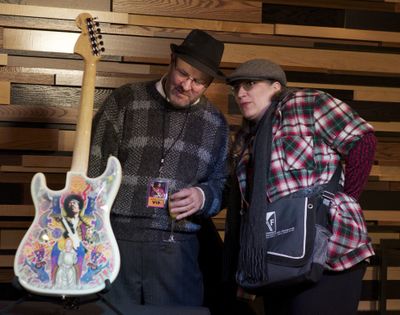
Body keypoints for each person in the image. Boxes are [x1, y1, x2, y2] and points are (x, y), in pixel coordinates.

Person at [88, 29, 229, 309]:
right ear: (171, 60)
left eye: (199, 82)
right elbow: (93, 168)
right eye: (183, 73)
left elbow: (223, 184)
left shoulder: (215, 123)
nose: (187, 86)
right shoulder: (125, 100)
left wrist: (203, 197)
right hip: (116, 240)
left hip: (178, 249)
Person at [222, 59, 376, 315]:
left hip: (330, 257)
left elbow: (362, 140)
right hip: (278, 265)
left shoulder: (307, 104)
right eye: (236, 87)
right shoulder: (246, 141)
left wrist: (344, 202)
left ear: (275, 86)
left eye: (249, 84)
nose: (240, 93)